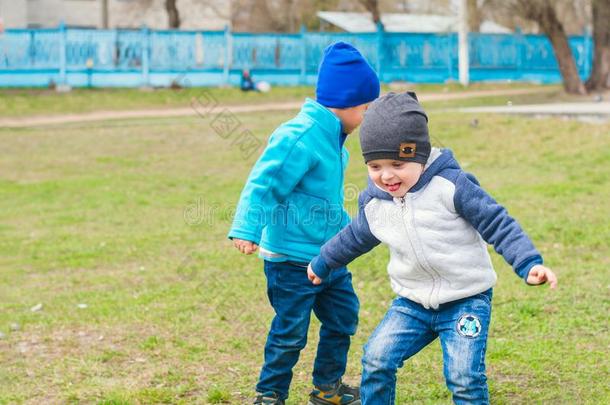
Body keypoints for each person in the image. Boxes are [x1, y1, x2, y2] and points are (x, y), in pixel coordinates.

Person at [307, 91, 558, 405]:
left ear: (420, 156)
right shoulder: (375, 202)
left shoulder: (452, 187)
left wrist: (528, 263)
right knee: (376, 359)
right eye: (375, 166)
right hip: (412, 303)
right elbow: (355, 237)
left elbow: (497, 222)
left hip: (466, 300)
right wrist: (323, 261)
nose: (386, 176)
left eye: (397, 163)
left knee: (464, 378)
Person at [228, 42, 380, 405]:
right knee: (290, 333)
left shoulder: (334, 140)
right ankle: (270, 395)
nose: (367, 114)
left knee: (343, 319)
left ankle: (327, 388)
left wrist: (347, 235)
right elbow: (264, 182)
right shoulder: (299, 136)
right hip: (291, 260)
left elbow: (322, 201)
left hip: (327, 258)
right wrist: (246, 227)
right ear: (344, 102)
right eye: (365, 107)